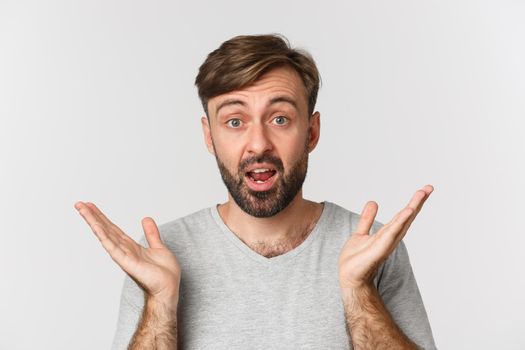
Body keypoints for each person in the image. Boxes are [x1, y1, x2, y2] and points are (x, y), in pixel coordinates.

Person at [75, 33, 437, 349]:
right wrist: (159, 303)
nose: (258, 143)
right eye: (235, 121)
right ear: (209, 136)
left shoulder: (373, 247)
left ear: (311, 132)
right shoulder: (161, 252)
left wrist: (361, 294)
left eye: (280, 119)